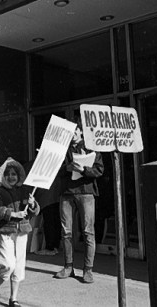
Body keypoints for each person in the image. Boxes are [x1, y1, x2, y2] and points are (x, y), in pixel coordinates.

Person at [54, 120, 104, 284]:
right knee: (66, 231)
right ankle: (68, 267)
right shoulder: (62, 149)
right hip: (67, 193)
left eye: (76, 132)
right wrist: (66, 168)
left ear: (81, 132)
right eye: (71, 132)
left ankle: (88, 270)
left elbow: (99, 170)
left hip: (86, 192)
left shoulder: (91, 148)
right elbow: (54, 169)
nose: (73, 135)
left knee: (88, 231)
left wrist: (84, 170)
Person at [0, 158, 40, 307]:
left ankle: (13, 298)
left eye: (14, 174)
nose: (11, 177)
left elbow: (34, 212)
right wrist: (12, 214)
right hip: (6, 231)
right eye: (8, 174)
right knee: (8, 265)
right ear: (3, 176)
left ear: (19, 176)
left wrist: (32, 205)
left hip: (22, 232)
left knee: (18, 266)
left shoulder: (24, 191)